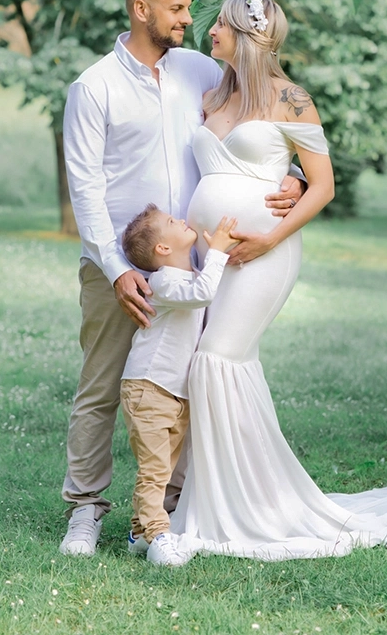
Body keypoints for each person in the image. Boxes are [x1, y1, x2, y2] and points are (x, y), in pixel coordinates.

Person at [158, 0, 387, 564]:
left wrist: (270, 234)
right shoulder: (211, 96)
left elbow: (321, 184)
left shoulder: (291, 98)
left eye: (220, 24)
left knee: (218, 358)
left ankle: (251, 509)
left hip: (266, 254)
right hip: (214, 255)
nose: (209, 30)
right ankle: (220, 499)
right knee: (211, 364)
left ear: (246, 37)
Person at [59, 0, 304, 557]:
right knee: (101, 385)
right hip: (119, 268)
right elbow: (85, 189)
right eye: (178, 10)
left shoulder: (201, 71)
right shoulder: (93, 88)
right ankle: (86, 508)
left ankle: (167, 508)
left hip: (196, 267)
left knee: (187, 384)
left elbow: (260, 123)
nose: (190, 20)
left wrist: (292, 177)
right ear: (143, 11)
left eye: (192, 9)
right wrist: (117, 268)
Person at [119, 207, 238, 566]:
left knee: (165, 469)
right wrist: (218, 248)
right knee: (155, 470)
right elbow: (203, 293)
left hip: (172, 390)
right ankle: (158, 534)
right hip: (149, 387)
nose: (181, 221)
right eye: (172, 223)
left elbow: (205, 287)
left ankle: (138, 534)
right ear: (163, 250)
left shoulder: (186, 275)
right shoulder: (165, 283)